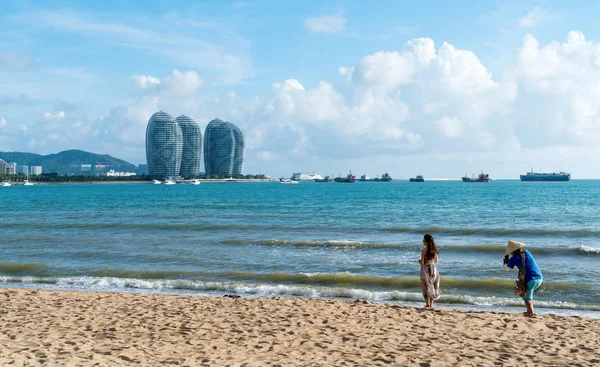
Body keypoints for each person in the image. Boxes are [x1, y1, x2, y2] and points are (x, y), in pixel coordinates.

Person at [503, 240, 543, 317]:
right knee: (528, 294)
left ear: (511, 251)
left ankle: (531, 313)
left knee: (527, 297)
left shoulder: (514, 259)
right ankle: (528, 311)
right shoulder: (526, 252)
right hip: (539, 277)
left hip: (531, 279)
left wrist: (505, 261)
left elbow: (506, 268)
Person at [419, 234, 441, 308]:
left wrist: (419, 261)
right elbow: (436, 260)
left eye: (424, 240)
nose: (423, 241)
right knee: (432, 285)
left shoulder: (424, 251)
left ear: (427, 242)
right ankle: (431, 305)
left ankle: (427, 304)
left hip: (425, 269)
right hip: (433, 269)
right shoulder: (435, 250)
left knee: (425, 286)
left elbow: (422, 263)